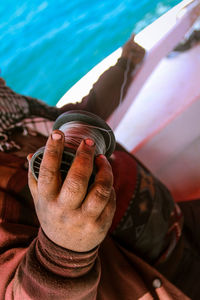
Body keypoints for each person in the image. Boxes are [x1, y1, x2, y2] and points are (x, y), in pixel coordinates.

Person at [0, 35, 199, 300]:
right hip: (159, 282)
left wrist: (125, 64)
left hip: (175, 222)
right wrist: (63, 251)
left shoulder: (15, 112)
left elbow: (80, 115)